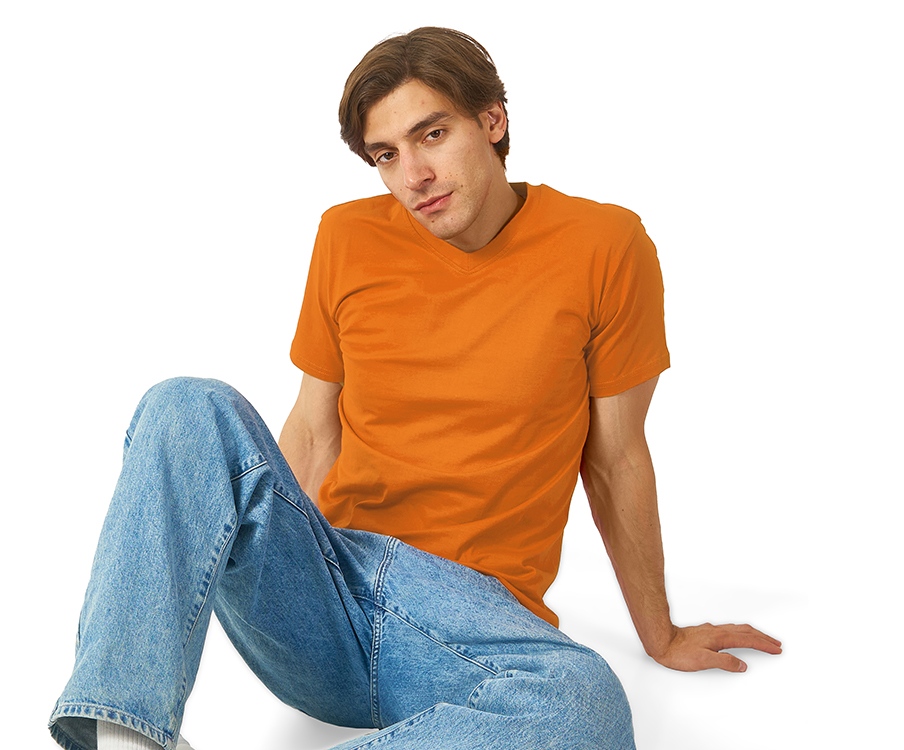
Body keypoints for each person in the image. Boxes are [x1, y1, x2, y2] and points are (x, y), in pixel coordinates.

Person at [48, 26, 781, 750]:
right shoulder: (345, 236)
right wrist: (291, 558)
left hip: (474, 622)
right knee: (185, 405)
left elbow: (616, 457)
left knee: (584, 706)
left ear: (492, 120)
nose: (414, 176)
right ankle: (125, 733)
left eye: (432, 135)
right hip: (334, 590)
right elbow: (313, 431)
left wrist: (660, 634)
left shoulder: (606, 245)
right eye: (387, 155)